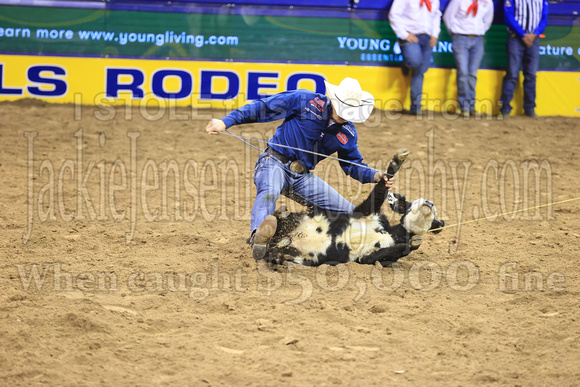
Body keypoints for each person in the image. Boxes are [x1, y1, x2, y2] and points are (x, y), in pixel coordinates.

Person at [205, 77, 394, 259]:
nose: (345, 115)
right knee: (268, 192)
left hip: (302, 177)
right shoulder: (305, 100)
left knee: (350, 213)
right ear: (334, 100)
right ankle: (258, 237)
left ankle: (365, 242)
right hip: (273, 162)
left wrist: (375, 175)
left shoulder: (348, 134)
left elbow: (353, 165)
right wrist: (226, 122)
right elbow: (264, 108)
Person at [389, 0, 442, 115]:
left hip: (427, 37)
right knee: (415, 62)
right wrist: (404, 34)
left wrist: (435, 34)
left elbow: (436, 15)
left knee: (420, 71)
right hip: (411, 35)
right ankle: (408, 61)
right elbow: (394, 14)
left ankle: (416, 107)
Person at [443, 0, 494, 118]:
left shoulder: (487, 1)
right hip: (460, 37)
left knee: (472, 73)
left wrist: (479, 31)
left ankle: (471, 106)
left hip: (478, 39)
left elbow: (488, 20)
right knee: (463, 72)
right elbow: (448, 17)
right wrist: (456, 33)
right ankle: (464, 106)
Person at [499, 0, 549, 118]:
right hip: (515, 38)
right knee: (512, 74)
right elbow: (508, 16)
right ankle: (505, 109)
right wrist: (522, 34)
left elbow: (544, 17)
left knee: (531, 75)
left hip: (534, 40)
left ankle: (530, 108)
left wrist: (535, 34)